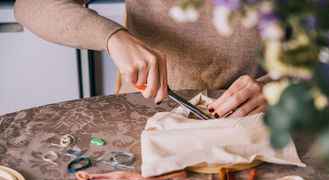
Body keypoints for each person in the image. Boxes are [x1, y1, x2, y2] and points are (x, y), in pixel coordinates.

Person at [14, 0, 268, 118]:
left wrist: (271, 87)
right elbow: (29, 5)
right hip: (145, 112)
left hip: (252, 116)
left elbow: (309, 53)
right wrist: (112, 36)